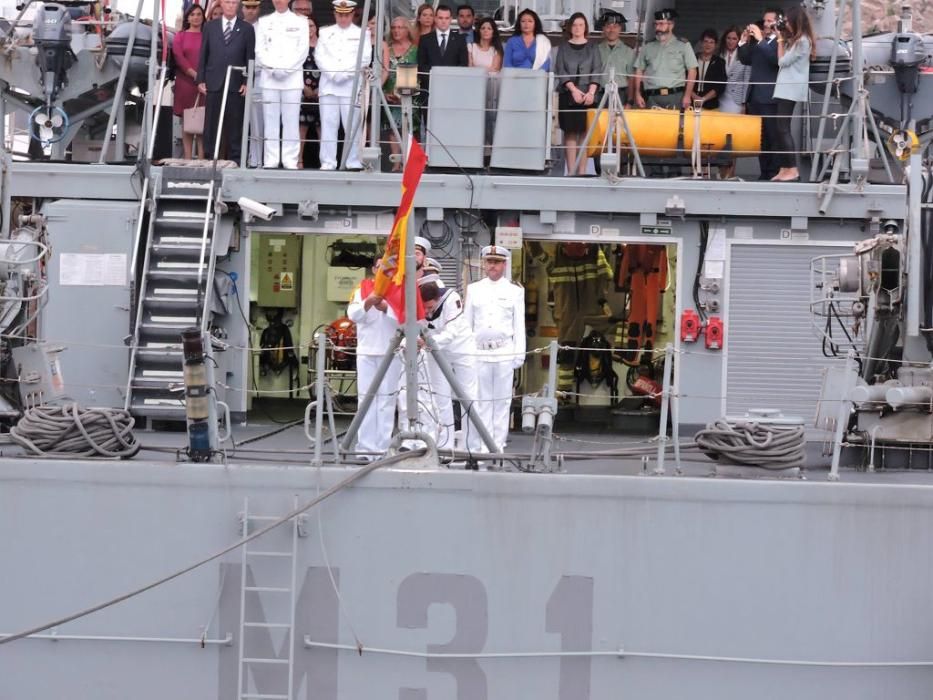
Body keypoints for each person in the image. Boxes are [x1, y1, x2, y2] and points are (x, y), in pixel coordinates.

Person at [463, 245, 525, 454]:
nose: (492, 266)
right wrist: (467, 353)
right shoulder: (474, 289)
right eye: (489, 262)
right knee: (481, 401)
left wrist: (519, 354)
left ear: (504, 264)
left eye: (497, 262)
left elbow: (519, 326)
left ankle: (498, 444)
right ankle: (483, 443)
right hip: (479, 351)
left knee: (501, 401)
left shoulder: (515, 291)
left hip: (503, 351)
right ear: (483, 264)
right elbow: (467, 324)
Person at [347, 258, 401, 460]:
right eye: (379, 267)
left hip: (390, 351)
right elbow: (352, 314)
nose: (382, 271)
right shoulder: (363, 287)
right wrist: (368, 302)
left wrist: (386, 307)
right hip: (367, 352)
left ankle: (383, 448)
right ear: (373, 269)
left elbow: (404, 317)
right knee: (366, 400)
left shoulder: (397, 288)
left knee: (387, 401)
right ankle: (365, 448)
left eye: (387, 268)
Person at [420, 275, 478, 452]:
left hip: (461, 349)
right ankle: (445, 445)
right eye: (424, 308)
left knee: (468, 396)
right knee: (441, 398)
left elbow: (450, 334)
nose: (428, 312)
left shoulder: (451, 299)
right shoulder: (418, 303)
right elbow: (418, 326)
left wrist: (426, 342)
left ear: (437, 299)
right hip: (436, 351)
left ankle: (470, 446)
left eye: (430, 307)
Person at [197, 0, 256, 163]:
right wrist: (201, 78)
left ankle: (236, 159)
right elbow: (204, 53)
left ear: (238, 5)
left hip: (236, 82)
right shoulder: (210, 26)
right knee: (211, 122)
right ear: (221, 4)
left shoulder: (247, 29)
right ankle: (209, 157)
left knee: (236, 122)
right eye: (227, 2)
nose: (230, 6)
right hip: (214, 80)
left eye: (233, 3)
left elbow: (250, 57)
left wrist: (247, 80)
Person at [315, 0, 371, 170]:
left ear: (353, 14)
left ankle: (353, 161)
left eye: (346, 14)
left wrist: (345, 74)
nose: (343, 18)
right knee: (328, 125)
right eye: (340, 14)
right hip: (329, 86)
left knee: (352, 127)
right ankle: (328, 162)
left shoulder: (363, 33)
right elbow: (319, 56)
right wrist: (333, 74)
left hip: (351, 86)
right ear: (335, 14)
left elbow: (365, 58)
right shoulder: (325, 32)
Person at [256, 0, 308, 169]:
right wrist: (272, 69)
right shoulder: (264, 22)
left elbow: (303, 50)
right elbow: (260, 50)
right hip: (270, 79)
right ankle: (270, 159)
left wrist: (286, 69)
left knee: (291, 121)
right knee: (270, 120)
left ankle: (290, 159)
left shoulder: (300, 21)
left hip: (291, 79)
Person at [554, 12, 602, 176]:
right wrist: (573, 89)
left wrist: (591, 92)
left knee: (584, 133)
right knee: (570, 133)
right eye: (574, 25)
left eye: (581, 25)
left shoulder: (593, 47)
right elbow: (560, 69)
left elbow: (597, 70)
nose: (577, 28)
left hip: (588, 95)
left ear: (585, 27)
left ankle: (582, 172)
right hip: (568, 94)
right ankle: (571, 171)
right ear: (570, 28)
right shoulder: (563, 47)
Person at [772, 5, 814, 182]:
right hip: (786, 88)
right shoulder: (798, 40)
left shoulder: (803, 41)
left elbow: (782, 61)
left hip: (790, 89)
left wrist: (780, 40)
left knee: (783, 128)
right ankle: (785, 167)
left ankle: (793, 169)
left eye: (788, 22)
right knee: (780, 128)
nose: (786, 25)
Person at [738, 8, 781, 180]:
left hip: (770, 97)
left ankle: (774, 172)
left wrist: (760, 39)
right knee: (760, 139)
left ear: (778, 22)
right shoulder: (759, 42)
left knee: (773, 137)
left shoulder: (780, 42)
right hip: (755, 96)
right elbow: (745, 59)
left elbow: (775, 60)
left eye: (769, 21)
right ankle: (764, 172)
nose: (765, 24)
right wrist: (743, 42)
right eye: (764, 21)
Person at [632, 8, 697, 110]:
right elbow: (639, 70)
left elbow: (692, 71)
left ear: (671, 25)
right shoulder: (648, 46)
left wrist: (687, 95)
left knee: (674, 126)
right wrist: (637, 94)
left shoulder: (683, 45)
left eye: (661, 24)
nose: (658, 28)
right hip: (651, 97)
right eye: (656, 24)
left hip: (675, 96)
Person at [384, 16, 418, 170]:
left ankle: (407, 160)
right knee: (392, 126)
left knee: (409, 127)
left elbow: (420, 74)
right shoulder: (386, 49)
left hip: (409, 95)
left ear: (407, 30)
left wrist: (404, 94)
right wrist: (385, 93)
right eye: (394, 28)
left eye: (400, 27)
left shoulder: (415, 50)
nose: (396, 31)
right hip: (388, 93)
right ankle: (396, 163)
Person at [172, 3, 205, 160]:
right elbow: (179, 57)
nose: (196, 17)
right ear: (187, 17)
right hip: (185, 82)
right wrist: (194, 75)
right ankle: (187, 157)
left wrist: (202, 77)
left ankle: (202, 156)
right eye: (192, 15)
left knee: (202, 119)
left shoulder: (208, 35)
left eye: (199, 14)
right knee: (187, 121)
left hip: (204, 83)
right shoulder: (180, 36)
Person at [416, 4, 468, 94]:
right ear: (435, 19)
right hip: (430, 88)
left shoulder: (460, 39)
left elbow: (463, 64)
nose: (444, 21)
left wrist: (449, 79)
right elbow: (421, 64)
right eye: (440, 18)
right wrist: (434, 79)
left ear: (451, 19)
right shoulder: (425, 39)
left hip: (453, 88)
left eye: (446, 18)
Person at [241, 0, 263, 167]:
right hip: (236, 78)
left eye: (254, 7)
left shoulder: (264, 27)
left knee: (257, 123)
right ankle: (235, 157)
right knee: (236, 123)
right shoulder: (237, 27)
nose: (250, 11)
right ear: (242, 8)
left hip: (258, 78)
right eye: (248, 7)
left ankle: (255, 159)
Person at [597, 11, 634, 104]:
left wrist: (629, 101)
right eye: (608, 26)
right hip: (600, 94)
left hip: (621, 95)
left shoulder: (628, 51)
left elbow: (631, 78)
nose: (611, 30)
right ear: (603, 29)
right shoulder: (596, 50)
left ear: (620, 29)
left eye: (615, 27)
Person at [299, 15, 321, 168]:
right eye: (306, 26)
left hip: (322, 89)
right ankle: (299, 160)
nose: (309, 29)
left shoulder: (323, 44)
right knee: (301, 127)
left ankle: (324, 161)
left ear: (316, 27)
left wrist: (321, 88)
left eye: (311, 26)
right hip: (302, 89)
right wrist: (303, 87)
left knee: (322, 128)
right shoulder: (298, 45)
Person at [719, 25, 750, 113]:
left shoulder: (744, 56)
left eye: (734, 39)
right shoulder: (719, 54)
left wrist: (744, 103)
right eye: (728, 38)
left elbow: (746, 80)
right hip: (720, 97)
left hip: (737, 99)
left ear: (739, 40)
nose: (730, 41)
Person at [693, 28, 726, 109]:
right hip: (691, 104)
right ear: (701, 43)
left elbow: (720, 86)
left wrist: (703, 99)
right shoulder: (692, 59)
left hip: (711, 106)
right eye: (706, 41)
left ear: (715, 45)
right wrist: (695, 98)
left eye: (711, 42)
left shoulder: (720, 62)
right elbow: (686, 81)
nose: (708, 45)